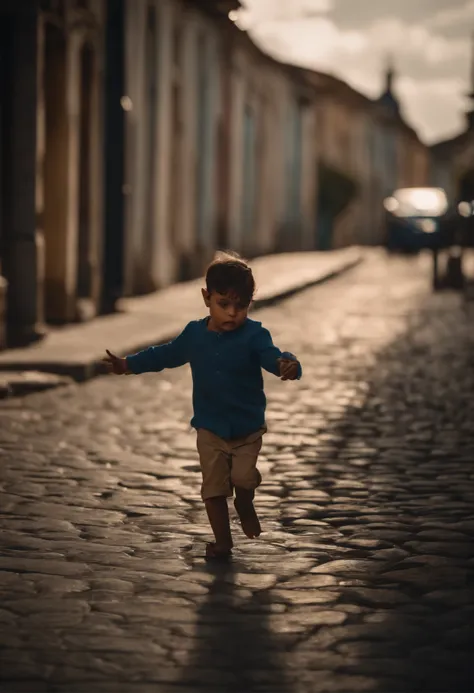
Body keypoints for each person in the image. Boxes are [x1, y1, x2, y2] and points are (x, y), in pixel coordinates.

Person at [103, 252, 302, 560]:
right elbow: (164, 355)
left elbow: (272, 358)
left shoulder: (255, 335)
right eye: (224, 304)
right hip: (209, 426)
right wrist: (128, 364)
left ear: (251, 302)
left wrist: (288, 365)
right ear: (206, 297)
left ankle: (245, 502)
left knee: (243, 479)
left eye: (242, 305)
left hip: (247, 427)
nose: (233, 313)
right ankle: (222, 543)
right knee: (213, 488)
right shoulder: (194, 335)